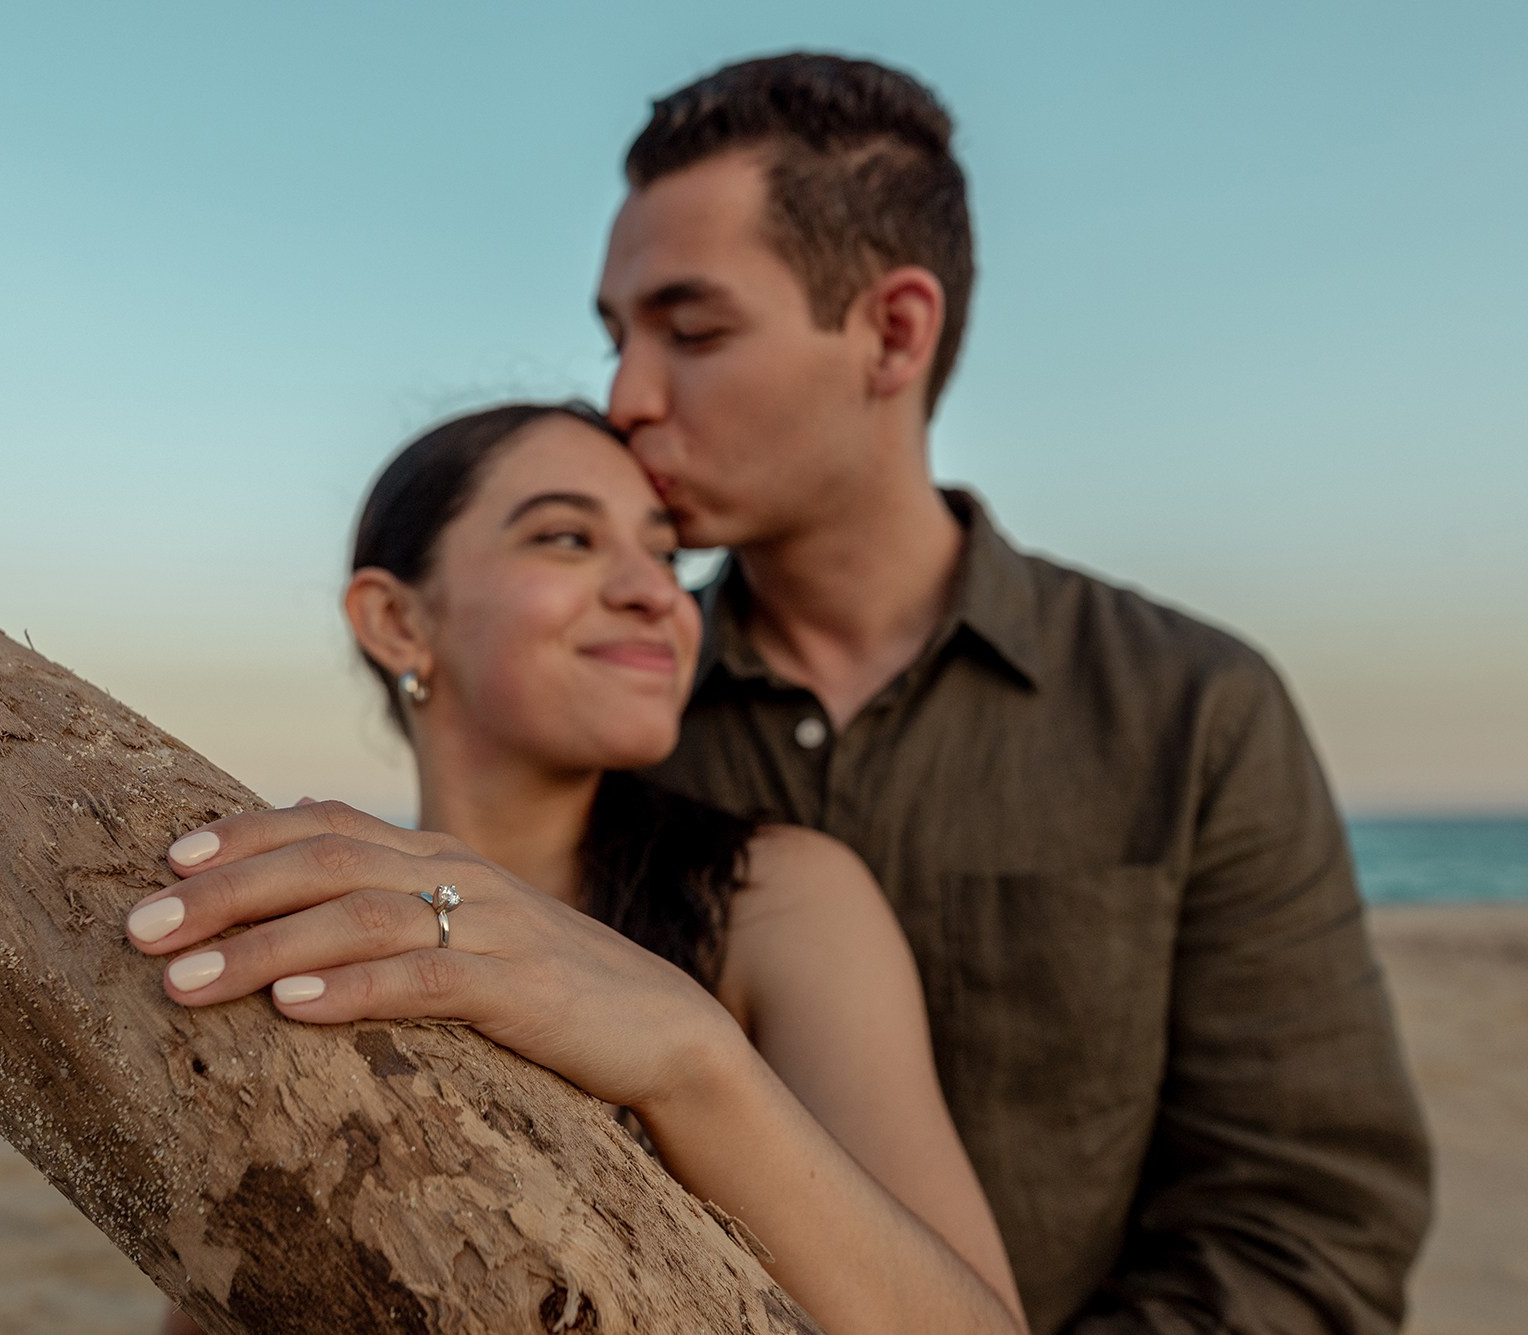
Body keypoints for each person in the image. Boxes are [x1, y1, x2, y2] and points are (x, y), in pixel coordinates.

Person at [594, 54, 1432, 1333]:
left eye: (691, 331)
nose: (625, 399)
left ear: (893, 330)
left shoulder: (1192, 710)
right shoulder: (597, 726)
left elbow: (1308, 1221)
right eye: (617, 338)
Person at [127, 402, 1027, 1333]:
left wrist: (692, 1059)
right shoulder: (323, 915)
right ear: (396, 619)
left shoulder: (777, 896)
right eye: (567, 538)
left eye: (668, 555)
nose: (657, 593)